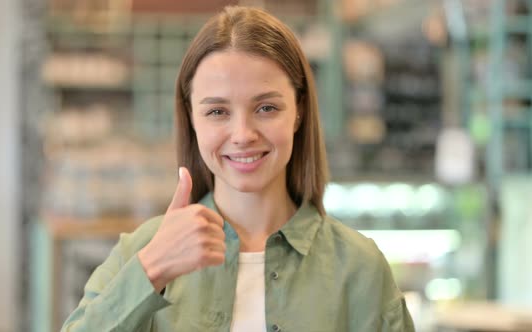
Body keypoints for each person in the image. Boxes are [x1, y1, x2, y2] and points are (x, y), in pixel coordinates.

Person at [62, 5, 415, 332]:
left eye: (266, 108)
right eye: (217, 111)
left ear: (300, 111)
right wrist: (151, 269)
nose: (243, 135)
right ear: (192, 119)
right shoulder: (142, 251)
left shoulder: (360, 268)